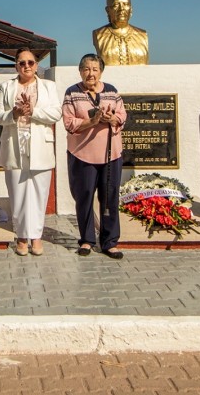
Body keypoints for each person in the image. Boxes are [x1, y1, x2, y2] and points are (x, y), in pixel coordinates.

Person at [0, 48, 62, 256]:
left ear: (36, 65)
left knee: (39, 194)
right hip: (15, 146)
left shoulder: (48, 87)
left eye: (30, 63)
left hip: (40, 145)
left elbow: (56, 113)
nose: (26, 66)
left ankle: (36, 237)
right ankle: (22, 237)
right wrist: (13, 113)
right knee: (18, 194)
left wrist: (34, 111)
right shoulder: (6, 87)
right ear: (16, 65)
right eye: (22, 63)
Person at [62, 53, 127, 258]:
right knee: (85, 197)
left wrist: (112, 119)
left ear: (101, 71)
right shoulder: (72, 92)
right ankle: (87, 240)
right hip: (82, 155)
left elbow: (123, 115)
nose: (91, 73)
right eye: (86, 69)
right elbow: (69, 122)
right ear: (80, 71)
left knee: (109, 198)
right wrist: (92, 122)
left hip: (110, 154)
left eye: (95, 69)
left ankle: (109, 242)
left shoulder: (112, 91)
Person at [92, 0, 149, 66]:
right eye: (116, 5)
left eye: (126, 4)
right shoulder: (99, 34)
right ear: (108, 10)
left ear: (131, 9)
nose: (121, 9)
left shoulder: (142, 34)